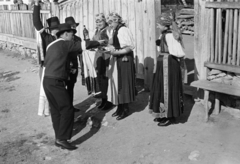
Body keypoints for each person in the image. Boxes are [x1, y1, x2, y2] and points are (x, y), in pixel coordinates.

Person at [43, 23, 82, 150]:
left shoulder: (51, 45)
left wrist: (67, 70)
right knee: (67, 109)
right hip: (56, 82)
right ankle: (62, 139)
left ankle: (58, 136)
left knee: (56, 110)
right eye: (72, 33)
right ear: (65, 34)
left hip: (47, 80)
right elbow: (83, 46)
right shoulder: (64, 43)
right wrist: (98, 43)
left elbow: (56, 60)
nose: (73, 36)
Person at [149, 12, 185, 126]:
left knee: (168, 89)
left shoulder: (170, 35)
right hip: (162, 64)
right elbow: (162, 47)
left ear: (165, 25)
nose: (157, 26)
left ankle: (170, 116)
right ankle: (162, 114)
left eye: (159, 24)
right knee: (160, 87)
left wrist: (166, 51)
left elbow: (177, 52)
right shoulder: (164, 34)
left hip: (169, 64)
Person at [106, 12, 136, 120]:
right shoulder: (115, 30)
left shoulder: (123, 30)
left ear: (116, 20)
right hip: (117, 58)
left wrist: (116, 52)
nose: (109, 24)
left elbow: (129, 47)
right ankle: (120, 106)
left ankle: (125, 108)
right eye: (108, 22)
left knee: (123, 83)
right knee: (117, 83)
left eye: (111, 22)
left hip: (124, 59)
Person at [33, 0, 60, 78]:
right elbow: (36, 22)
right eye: (54, 28)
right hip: (48, 69)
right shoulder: (47, 37)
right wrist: (36, 4)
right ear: (51, 29)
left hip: (59, 70)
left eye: (57, 28)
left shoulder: (62, 39)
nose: (56, 30)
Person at [65, 16, 82, 111]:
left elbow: (80, 52)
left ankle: (70, 106)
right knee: (63, 88)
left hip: (74, 66)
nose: (73, 28)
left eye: (74, 26)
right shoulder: (63, 39)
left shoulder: (78, 39)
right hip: (64, 66)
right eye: (71, 26)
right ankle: (65, 108)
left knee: (71, 86)